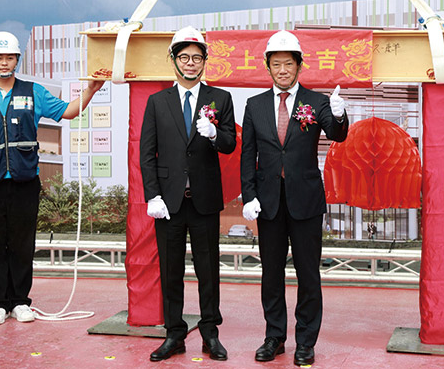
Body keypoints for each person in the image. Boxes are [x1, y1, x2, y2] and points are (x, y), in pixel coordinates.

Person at [0, 31, 104, 326]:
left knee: (22, 243)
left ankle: (21, 302)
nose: (4, 62)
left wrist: (91, 90)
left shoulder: (33, 92)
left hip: (24, 180)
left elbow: (68, 111)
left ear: (17, 60)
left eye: (9, 57)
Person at [240, 30, 349, 366]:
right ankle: (274, 337)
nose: (283, 70)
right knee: (271, 274)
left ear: (299, 66)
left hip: (306, 201)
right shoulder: (255, 105)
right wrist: (249, 196)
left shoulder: (316, 102)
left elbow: (337, 134)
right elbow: (248, 154)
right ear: (268, 67)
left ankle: (305, 341)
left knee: (308, 274)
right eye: (276, 64)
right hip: (268, 203)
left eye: (288, 63)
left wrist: (339, 114)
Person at [140, 26, 236, 362]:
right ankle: (174, 334)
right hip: (168, 203)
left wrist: (214, 134)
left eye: (197, 57)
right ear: (174, 60)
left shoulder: (220, 98)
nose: (191, 63)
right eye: (184, 57)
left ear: (205, 61)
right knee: (171, 271)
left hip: (204, 200)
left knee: (208, 271)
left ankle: (210, 333)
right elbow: (146, 153)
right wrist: (152, 195)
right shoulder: (157, 102)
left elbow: (229, 144)